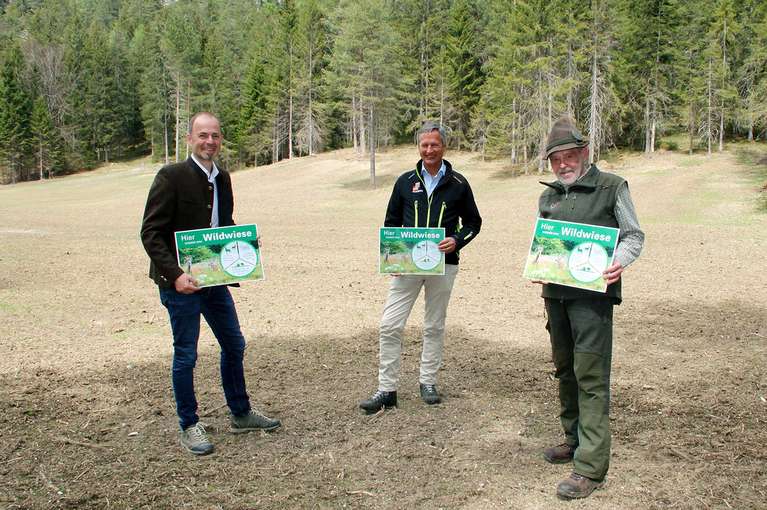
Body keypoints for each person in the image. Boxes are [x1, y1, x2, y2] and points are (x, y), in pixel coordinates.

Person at [140, 112, 280, 456]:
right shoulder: (170, 176)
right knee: (186, 354)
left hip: (215, 281)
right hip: (181, 285)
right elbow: (151, 232)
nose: (210, 142)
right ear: (190, 139)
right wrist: (175, 275)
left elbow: (224, 225)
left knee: (234, 344)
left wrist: (243, 246)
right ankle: (189, 424)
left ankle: (241, 412)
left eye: (215, 136)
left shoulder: (223, 178)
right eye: (203, 135)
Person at [537, 117, 644, 499]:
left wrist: (619, 260)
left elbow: (634, 235)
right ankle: (574, 439)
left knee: (591, 376)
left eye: (569, 156)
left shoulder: (611, 186)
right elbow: (545, 241)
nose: (563, 164)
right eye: (555, 159)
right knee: (565, 369)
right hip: (556, 296)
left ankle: (591, 467)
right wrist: (540, 263)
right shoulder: (549, 195)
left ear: (585, 153)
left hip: (594, 300)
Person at [359, 121, 482, 413]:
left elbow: (474, 224)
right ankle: (386, 389)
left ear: (443, 147)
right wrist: (392, 259)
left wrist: (456, 240)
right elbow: (391, 223)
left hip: (444, 265)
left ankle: (427, 382)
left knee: (434, 325)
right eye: (424, 145)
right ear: (419, 147)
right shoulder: (404, 181)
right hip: (407, 267)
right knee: (390, 325)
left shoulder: (459, 184)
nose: (429, 150)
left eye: (434, 144)